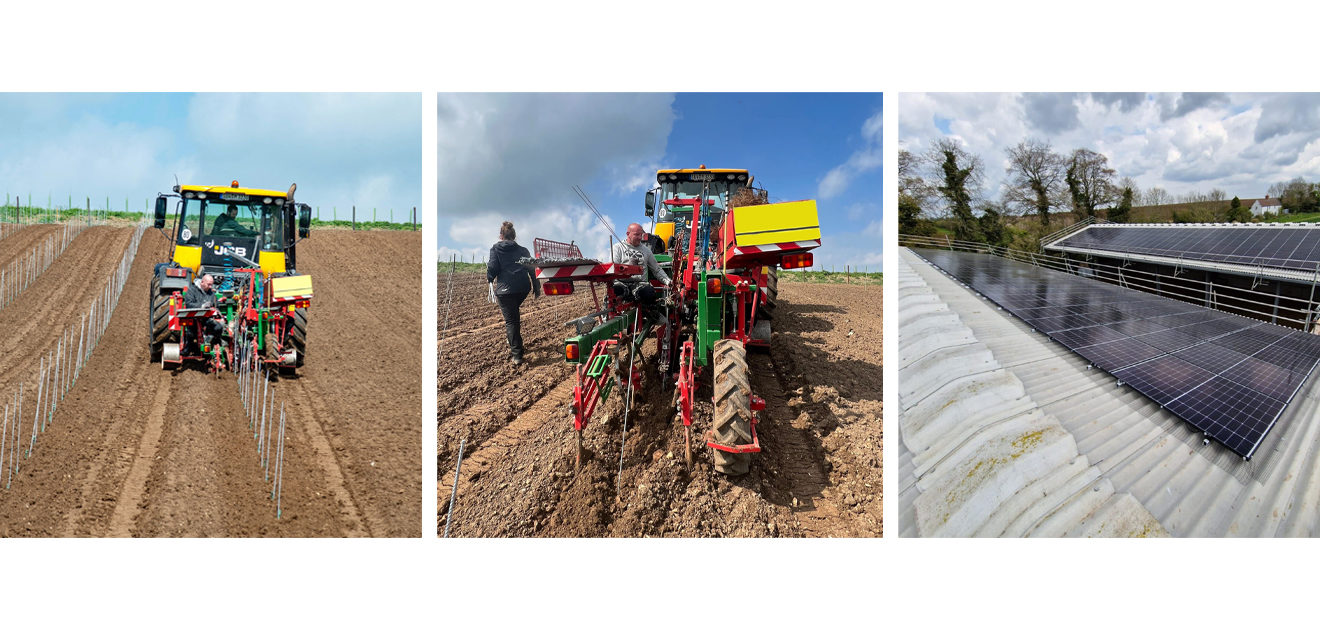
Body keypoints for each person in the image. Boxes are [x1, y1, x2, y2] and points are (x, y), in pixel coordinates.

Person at [487, 221, 540, 365]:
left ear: (501, 235)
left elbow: (492, 267)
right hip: (522, 288)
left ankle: (517, 355)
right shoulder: (523, 250)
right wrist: (536, 286)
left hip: (505, 291)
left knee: (511, 321)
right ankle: (514, 341)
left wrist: (490, 277)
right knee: (513, 318)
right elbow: (531, 269)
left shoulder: (495, 249)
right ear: (514, 236)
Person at [612, 223, 671, 305]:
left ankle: (648, 315)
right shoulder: (618, 248)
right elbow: (613, 269)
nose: (640, 238)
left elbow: (656, 270)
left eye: (641, 235)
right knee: (615, 291)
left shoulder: (646, 251)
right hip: (621, 283)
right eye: (636, 235)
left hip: (639, 284)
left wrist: (669, 282)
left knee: (649, 293)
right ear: (628, 234)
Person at [183, 273, 231, 345]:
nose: (210, 287)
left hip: (207, 319)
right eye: (209, 284)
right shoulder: (192, 291)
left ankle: (210, 342)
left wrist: (217, 311)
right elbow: (189, 304)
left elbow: (216, 305)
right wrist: (202, 306)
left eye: (211, 284)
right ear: (202, 282)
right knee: (191, 334)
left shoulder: (211, 294)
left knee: (218, 327)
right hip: (194, 318)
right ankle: (188, 348)